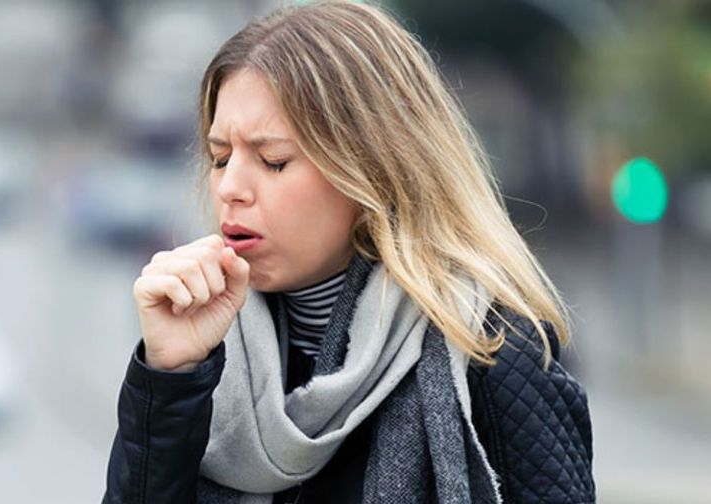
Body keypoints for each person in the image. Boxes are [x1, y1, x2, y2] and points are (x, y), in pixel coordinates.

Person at [103, 1, 594, 503]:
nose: (230, 187)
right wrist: (169, 377)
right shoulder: (206, 354)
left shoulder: (493, 355)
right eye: (221, 157)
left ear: (372, 169)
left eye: (273, 161)